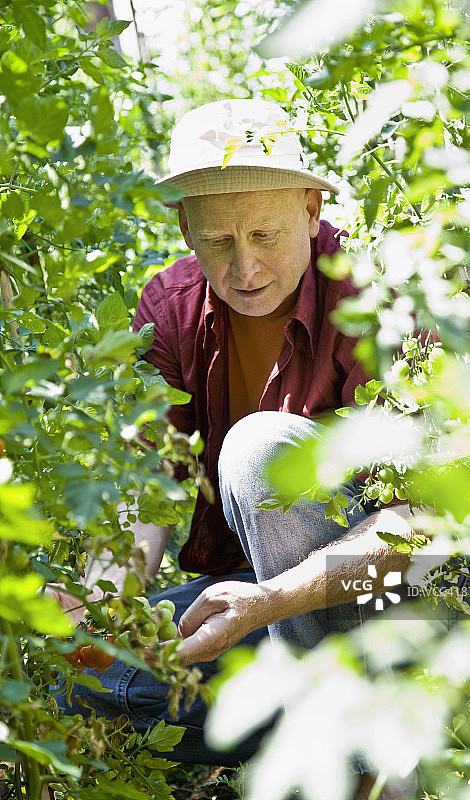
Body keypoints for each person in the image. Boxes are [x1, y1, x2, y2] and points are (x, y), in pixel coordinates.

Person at [52, 99, 415, 783]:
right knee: (78, 676)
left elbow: (418, 529)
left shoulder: (377, 301)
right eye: (217, 241)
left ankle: (359, 765)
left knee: (258, 451)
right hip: (261, 601)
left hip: (390, 599)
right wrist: (104, 608)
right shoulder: (169, 306)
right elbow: (152, 488)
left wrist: (273, 603)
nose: (244, 268)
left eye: (265, 235)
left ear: (311, 208)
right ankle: (358, 726)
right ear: (183, 225)